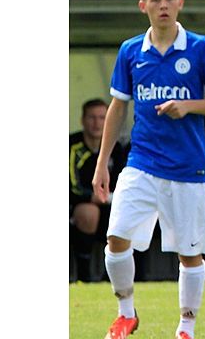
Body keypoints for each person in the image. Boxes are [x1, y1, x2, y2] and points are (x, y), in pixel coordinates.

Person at [93, 0, 205, 339]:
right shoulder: (130, 51)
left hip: (188, 169)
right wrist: (103, 162)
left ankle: (186, 327)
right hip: (141, 163)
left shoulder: (200, 47)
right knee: (116, 237)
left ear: (180, 2)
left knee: (190, 256)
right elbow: (117, 108)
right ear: (143, 6)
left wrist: (188, 106)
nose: (163, 5)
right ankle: (126, 313)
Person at [70, 98, 129, 283]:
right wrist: (91, 196)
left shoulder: (117, 148)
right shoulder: (72, 146)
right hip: (79, 206)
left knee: (128, 215)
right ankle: (84, 276)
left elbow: (124, 180)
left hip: (110, 204)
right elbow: (70, 186)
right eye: (92, 117)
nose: (96, 123)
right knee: (89, 212)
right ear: (82, 120)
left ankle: (115, 277)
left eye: (102, 118)